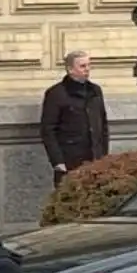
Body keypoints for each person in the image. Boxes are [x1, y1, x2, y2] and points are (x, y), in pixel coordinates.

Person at [39, 50, 110, 186]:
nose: (87, 69)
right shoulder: (57, 94)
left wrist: (104, 155)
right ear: (70, 69)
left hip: (95, 158)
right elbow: (48, 130)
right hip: (70, 159)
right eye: (82, 66)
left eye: (89, 65)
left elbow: (103, 125)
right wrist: (57, 161)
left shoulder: (95, 91)